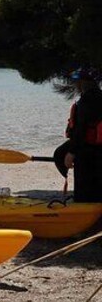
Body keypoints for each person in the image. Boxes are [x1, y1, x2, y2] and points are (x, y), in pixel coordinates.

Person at [63, 68, 102, 202]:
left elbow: (80, 131)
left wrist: (71, 153)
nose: (74, 84)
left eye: (76, 81)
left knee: (85, 189)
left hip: (87, 151)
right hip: (98, 148)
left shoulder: (85, 103)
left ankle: (85, 210)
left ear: (82, 83)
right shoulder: (99, 97)